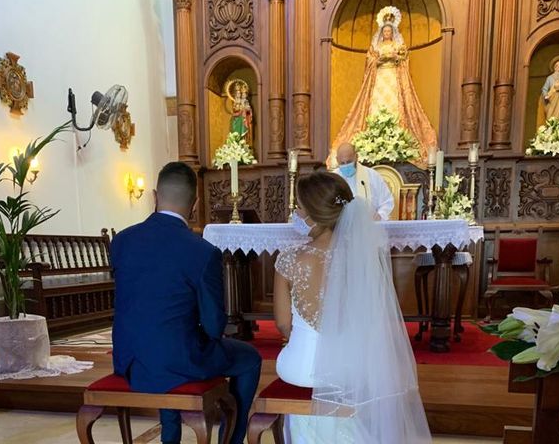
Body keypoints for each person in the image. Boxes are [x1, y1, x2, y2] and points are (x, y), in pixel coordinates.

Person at [274, 172, 431, 443]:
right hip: (352, 368)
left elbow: (282, 324)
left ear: (313, 213)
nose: (297, 212)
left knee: (295, 365)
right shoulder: (365, 259)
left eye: (299, 206)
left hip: (300, 369)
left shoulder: (289, 259)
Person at [111, 162, 262, 444]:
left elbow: (141, 303)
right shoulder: (202, 252)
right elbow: (216, 326)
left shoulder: (122, 241)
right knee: (249, 358)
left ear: (155, 196)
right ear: (194, 203)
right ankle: (232, 440)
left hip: (130, 359)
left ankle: (171, 435)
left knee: (166, 339)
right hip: (176, 359)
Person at [329, 6, 437, 167]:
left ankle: (396, 135)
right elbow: (371, 61)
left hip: (393, 78)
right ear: (382, 32)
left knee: (395, 105)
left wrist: (395, 57)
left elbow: (403, 59)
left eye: (389, 31)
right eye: (385, 31)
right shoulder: (376, 47)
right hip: (379, 79)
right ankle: (374, 133)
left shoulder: (397, 45)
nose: (387, 34)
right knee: (376, 105)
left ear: (393, 32)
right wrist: (380, 59)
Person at [334, 142, 394, 220]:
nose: (346, 165)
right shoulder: (333, 179)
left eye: (349, 162)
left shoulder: (372, 175)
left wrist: (380, 215)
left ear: (356, 157)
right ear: (337, 160)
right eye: (342, 163)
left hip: (370, 226)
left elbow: (387, 201)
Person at [542, 56, 559, 121]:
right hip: (551, 100)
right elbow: (545, 88)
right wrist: (546, 95)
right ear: (555, 67)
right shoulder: (550, 78)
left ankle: (558, 129)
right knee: (550, 117)